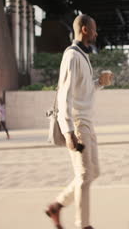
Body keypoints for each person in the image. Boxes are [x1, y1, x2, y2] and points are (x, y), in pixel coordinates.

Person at [45, 14, 113, 229]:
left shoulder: (82, 56)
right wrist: (68, 132)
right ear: (84, 29)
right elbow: (64, 95)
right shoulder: (72, 56)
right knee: (84, 175)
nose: (96, 33)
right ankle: (83, 226)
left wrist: (99, 83)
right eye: (93, 29)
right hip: (77, 123)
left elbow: (81, 91)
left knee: (94, 172)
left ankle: (57, 206)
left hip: (87, 122)